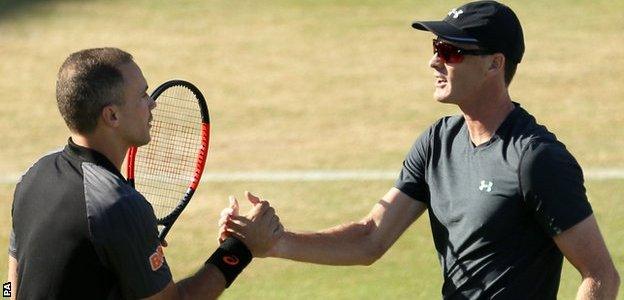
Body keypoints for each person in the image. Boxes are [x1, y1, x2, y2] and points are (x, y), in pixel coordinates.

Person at [220, 1, 620, 299]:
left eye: (452, 52)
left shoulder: (535, 159)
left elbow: (600, 275)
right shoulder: (437, 143)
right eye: (436, 46)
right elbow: (369, 238)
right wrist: (276, 242)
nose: (434, 61)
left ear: (495, 64)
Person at [8, 47, 283, 299]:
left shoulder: (32, 176)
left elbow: (10, 285)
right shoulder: (117, 206)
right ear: (112, 116)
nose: (152, 104)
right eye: (142, 96)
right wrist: (239, 249)